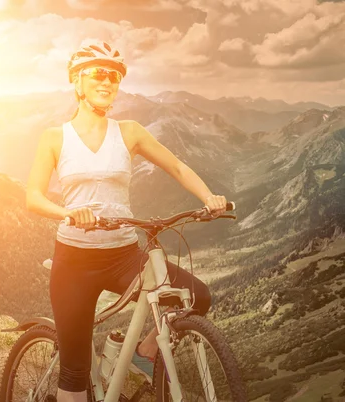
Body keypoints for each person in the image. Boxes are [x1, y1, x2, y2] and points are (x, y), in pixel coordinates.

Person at [26, 40, 227, 402]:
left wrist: (208, 198)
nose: (108, 82)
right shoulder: (55, 137)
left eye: (115, 77)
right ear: (77, 82)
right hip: (74, 260)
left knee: (197, 296)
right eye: (99, 74)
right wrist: (68, 213)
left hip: (123, 255)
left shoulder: (129, 131)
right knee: (73, 374)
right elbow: (34, 197)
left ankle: (147, 348)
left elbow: (177, 167)